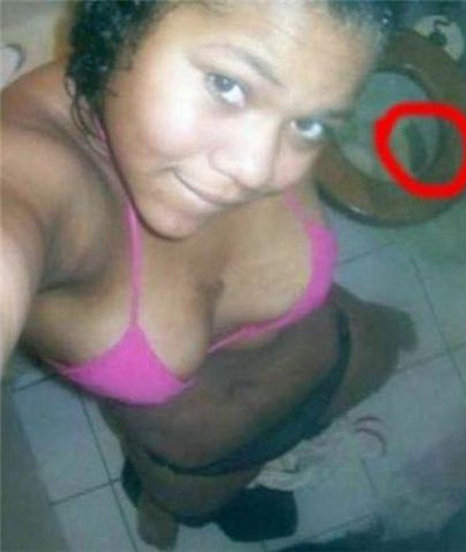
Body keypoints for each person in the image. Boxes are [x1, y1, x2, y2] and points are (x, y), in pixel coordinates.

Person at [1, 0, 415, 549]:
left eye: (309, 123)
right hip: (200, 461)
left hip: (341, 361)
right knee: (196, 509)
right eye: (227, 84)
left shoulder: (294, 86)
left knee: (397, 339)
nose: (256, 171)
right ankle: (160, 502)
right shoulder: (29, 172)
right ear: (125, 16)